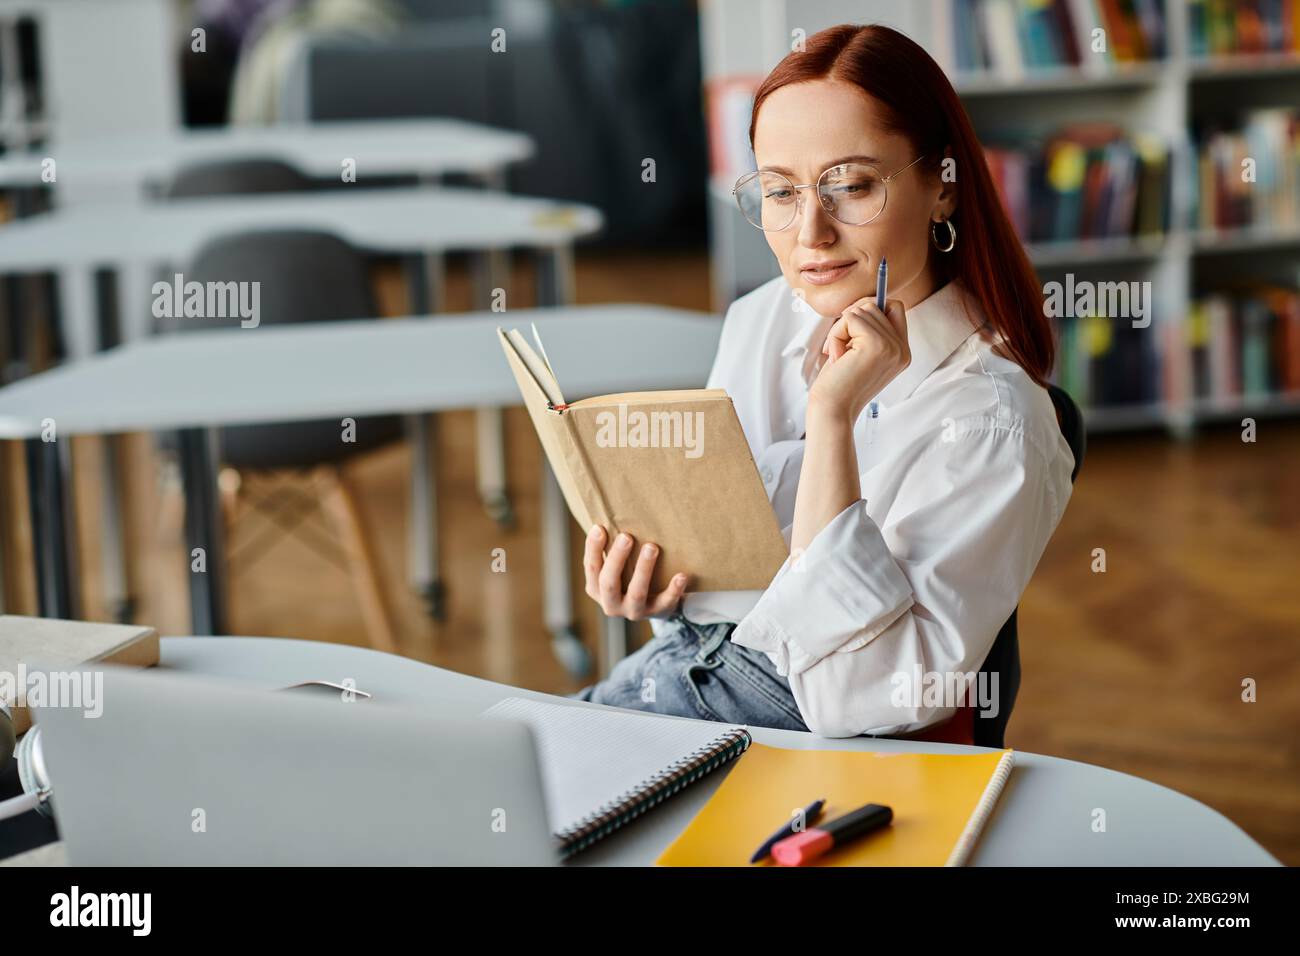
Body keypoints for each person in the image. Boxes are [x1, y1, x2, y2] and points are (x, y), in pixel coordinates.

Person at [571, 23, 1075, 739]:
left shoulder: (993, 419)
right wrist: (659, 589)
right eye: (780, 192)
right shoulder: (762, 318)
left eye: (851, 186)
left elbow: (856, 698)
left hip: (815, 744)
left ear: (943, 187)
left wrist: (832, 416)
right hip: (690, 672)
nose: (811, 231)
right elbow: (722, 589)